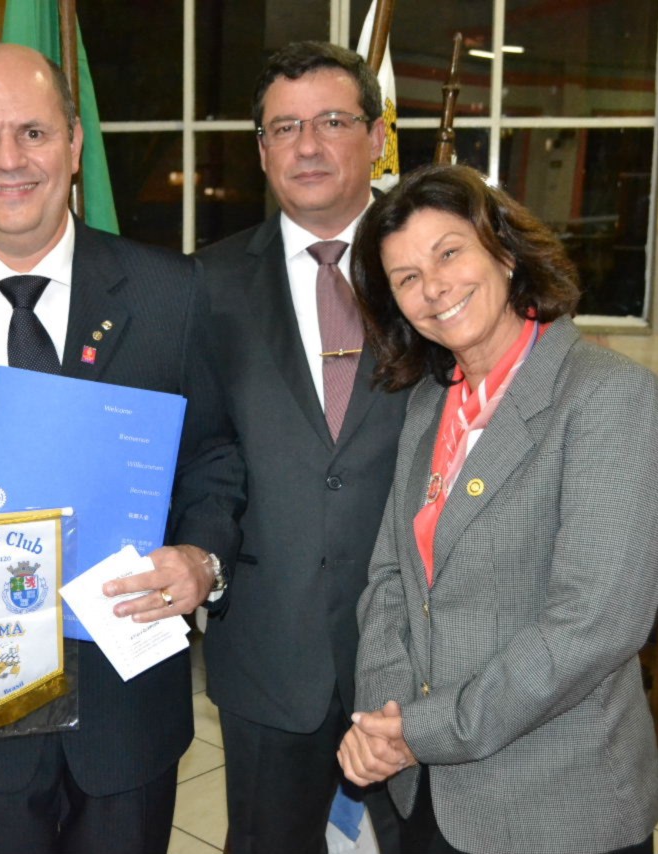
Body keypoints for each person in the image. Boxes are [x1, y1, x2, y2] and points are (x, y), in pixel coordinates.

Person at [0, 43, 243, 854]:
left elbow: (214, 454)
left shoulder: (173, 292)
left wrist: (202, 559)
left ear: (73, 143)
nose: (10, 160)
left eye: (33, 132)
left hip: (127, 709)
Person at [336, 163, 658, 854]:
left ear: (504, 251)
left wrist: (422, 730)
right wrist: (385, 719)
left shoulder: (610, 396)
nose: (434, 287)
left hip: (556, 804)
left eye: (449, 253)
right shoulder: (429, 402)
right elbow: (390, 580)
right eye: (406, 277)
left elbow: (590, 628)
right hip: (427, 791)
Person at [196, 40, 406, 854]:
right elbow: (197, 455)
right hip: (269, 649)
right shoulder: (205, 286)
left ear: (376, 135)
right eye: (285, 128)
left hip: (413, 650)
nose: (308, 146)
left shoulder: (432, 267)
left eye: (332, 122)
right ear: (262, 149)